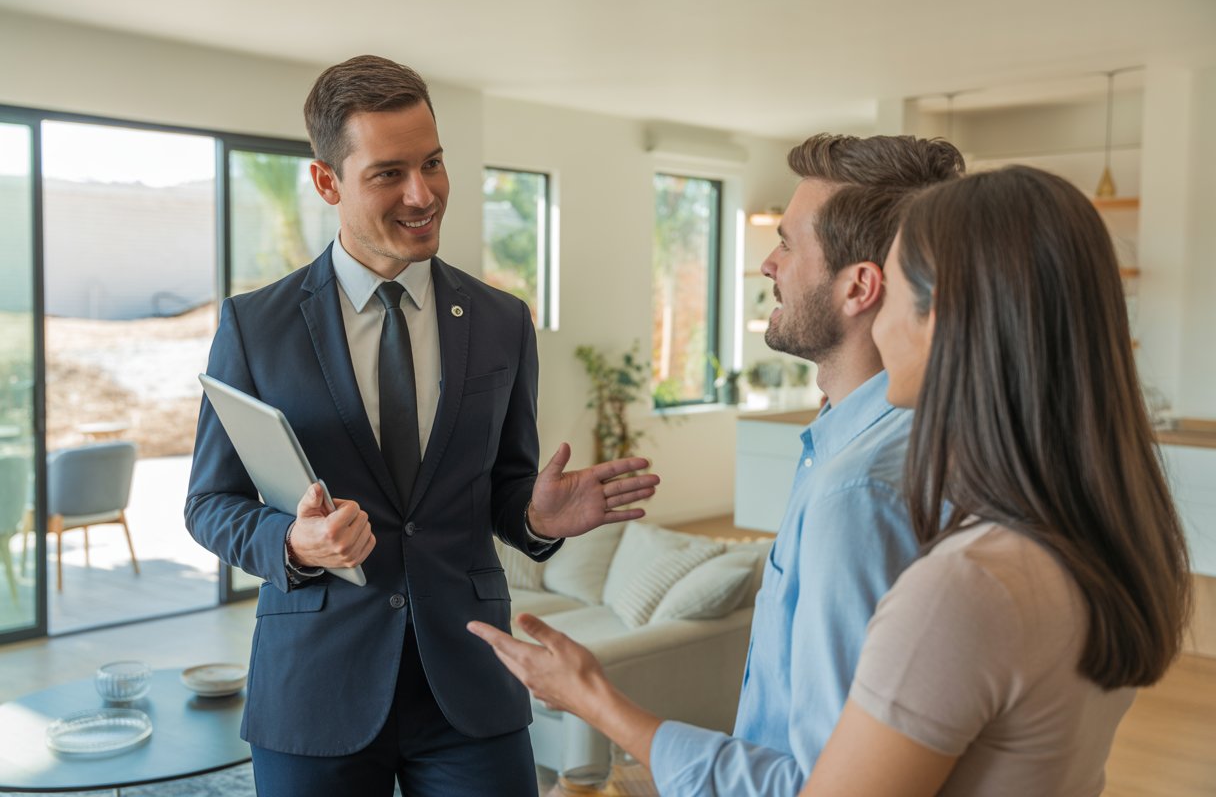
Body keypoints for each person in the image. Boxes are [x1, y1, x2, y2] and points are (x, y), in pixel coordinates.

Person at [473, 166, 1193, 796]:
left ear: (941, 319)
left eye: (895, 288)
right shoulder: (1087, 534)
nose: (879, 321)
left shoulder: (955, 578)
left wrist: (595, 699)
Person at [185, 55, 659, 797]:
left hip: (470, 684)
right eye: (389, 173)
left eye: (433, 163)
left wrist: (536, 517)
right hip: (316, 685)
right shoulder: (255, 327)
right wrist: (295, 543)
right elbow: (209, 504)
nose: (423, 194)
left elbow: (504, 489)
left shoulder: (503, 321)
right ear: (327, 182)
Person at [472, 134, 964, 795]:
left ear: (859, 287)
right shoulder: (876, 445)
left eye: (788, 244)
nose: (768, 264)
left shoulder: (856, 491)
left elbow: (819, 783)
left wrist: (594, 700)